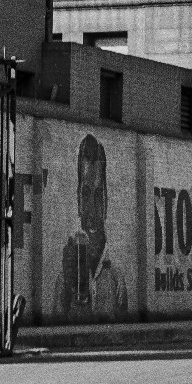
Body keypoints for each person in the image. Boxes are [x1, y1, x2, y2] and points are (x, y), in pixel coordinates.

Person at [51, 133, 129, 321]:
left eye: (98, 195)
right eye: (86, 194)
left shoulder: (117, 278)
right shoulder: (65, 275)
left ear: (106, 201)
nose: (93, 211)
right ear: (78, 200)